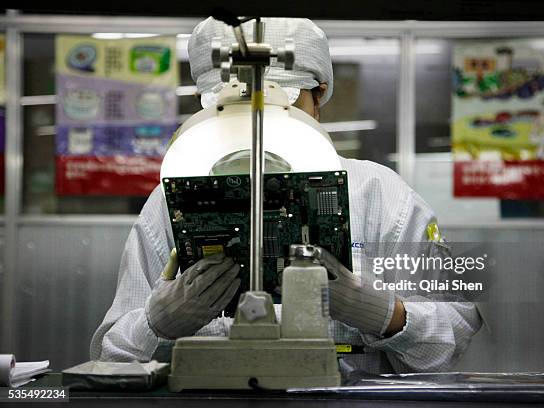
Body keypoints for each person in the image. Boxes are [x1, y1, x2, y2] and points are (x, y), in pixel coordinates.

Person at [90, 17, 482, 375]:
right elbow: (112, 357)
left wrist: (386, 315)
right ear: (203, 103)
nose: (258, 121)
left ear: (320, 95)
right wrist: (155, 322)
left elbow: (452, 337)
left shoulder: (383, 196)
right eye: (232, 108)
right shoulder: (170, 201)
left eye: (285, 106)